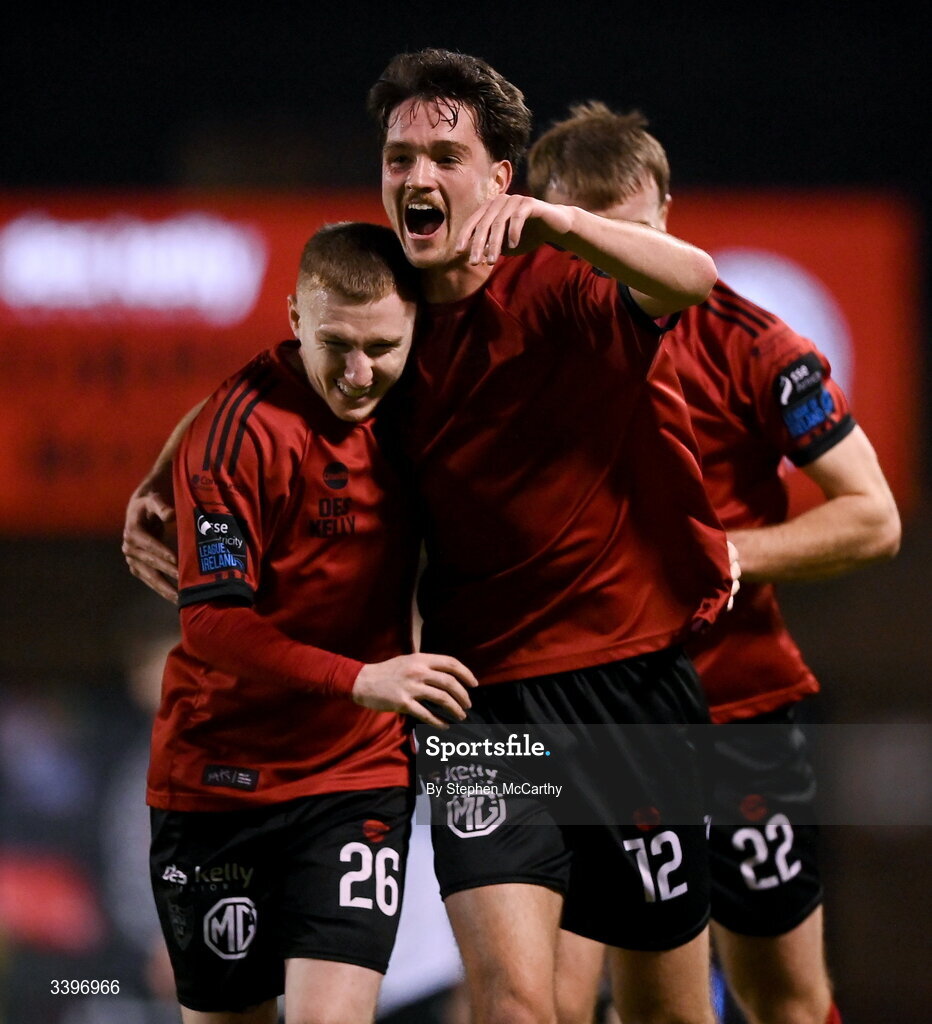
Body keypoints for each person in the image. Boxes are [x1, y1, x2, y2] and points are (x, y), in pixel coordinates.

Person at [126, 49, 735, 1024]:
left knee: (665, 1006)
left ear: (500, 179)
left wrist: (561, 222)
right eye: (398, 155)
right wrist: (164, 473)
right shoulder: (387, 313)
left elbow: (693, 282)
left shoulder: (561, 287)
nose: (413, 175)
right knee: (509, 1001)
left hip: (628, 682)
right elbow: (283, 367)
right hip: (478, 698)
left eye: (443, 155)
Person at [525, 102, 902, 1024]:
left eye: (630, 236)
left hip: (738, 709)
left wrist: (728, 554)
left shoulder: (754, 346)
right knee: (549, 1002)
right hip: (581, 714)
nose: (611, 262)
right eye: (586, 239)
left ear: (665, 219)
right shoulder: (514, 345)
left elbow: (874, 517)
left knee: (785, 996)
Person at [143, 221, 477, 1024]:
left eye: (384, 347)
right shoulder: (235, 436)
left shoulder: (421, 406)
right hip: (218, 781)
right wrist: (361, 679)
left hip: (353, 778)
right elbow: (213, 629)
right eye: (338, 344)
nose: (361, 374)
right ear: (294, 318)